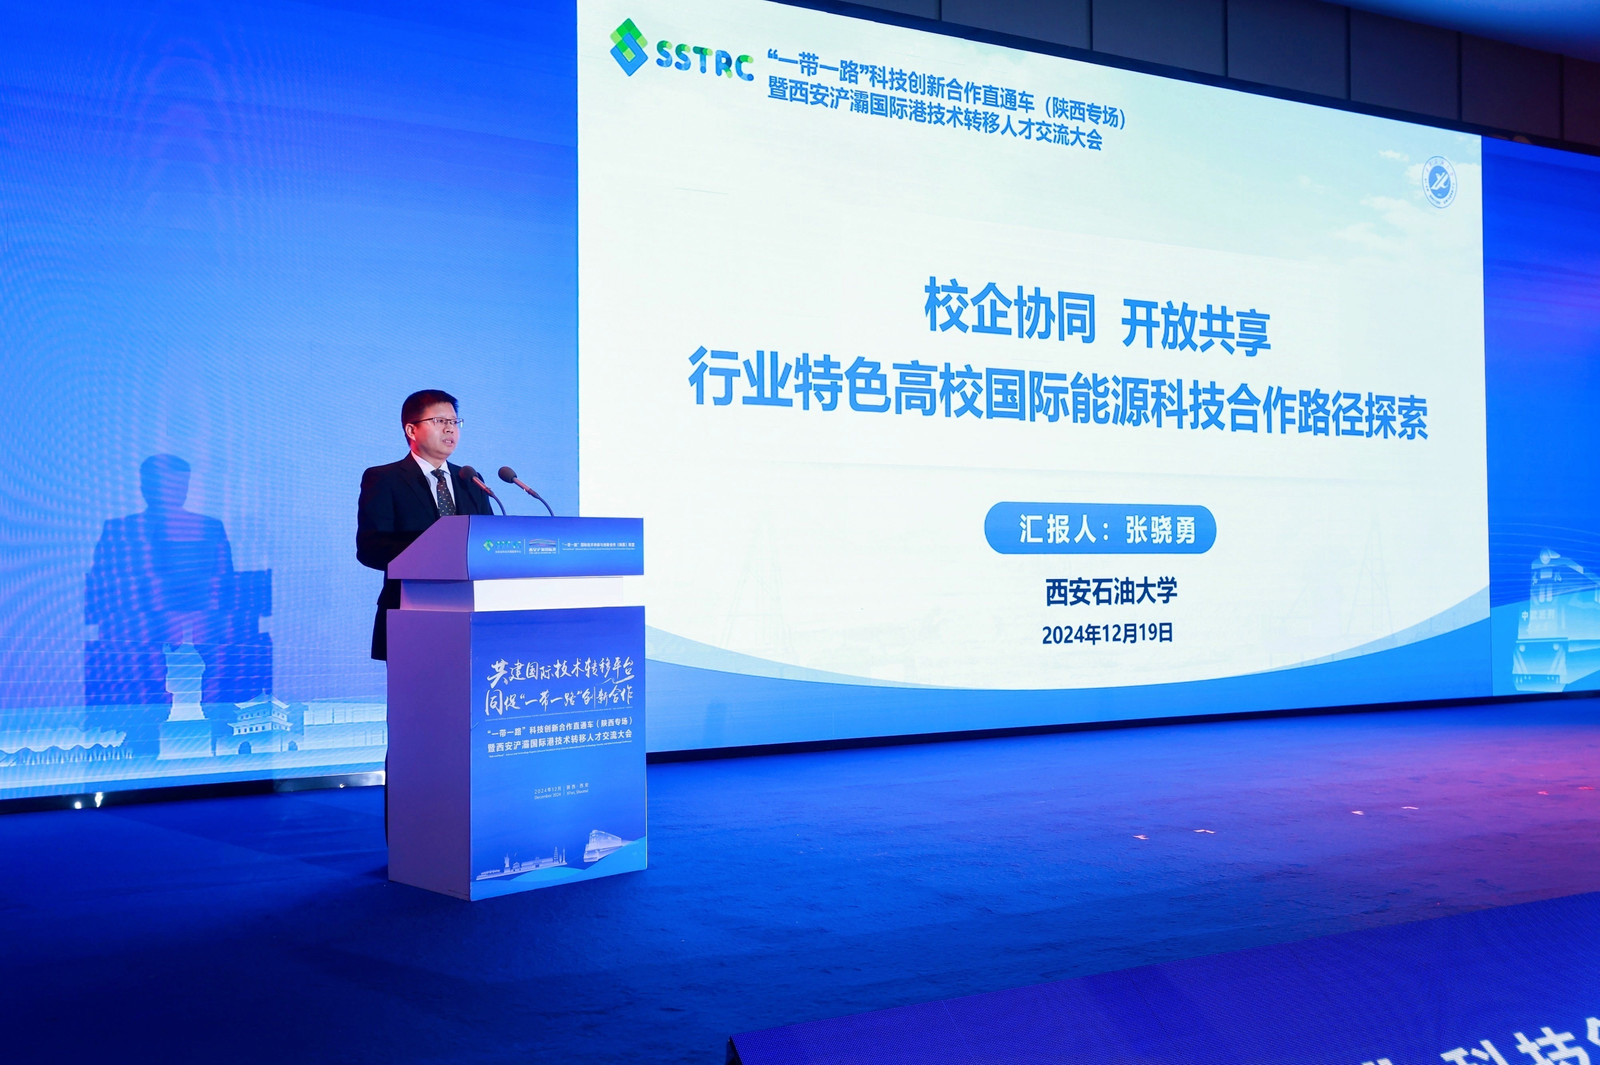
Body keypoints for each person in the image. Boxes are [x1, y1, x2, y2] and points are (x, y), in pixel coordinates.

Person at [357, 390, 494, 661]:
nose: (449, 429)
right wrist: (437, 549)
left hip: (473, 614)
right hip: (410, 612)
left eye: (454, 422)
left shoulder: (470, 480)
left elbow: (488, 540)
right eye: (439, 421)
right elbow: (370, 549)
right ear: (412, 429)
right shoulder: (384, 479)